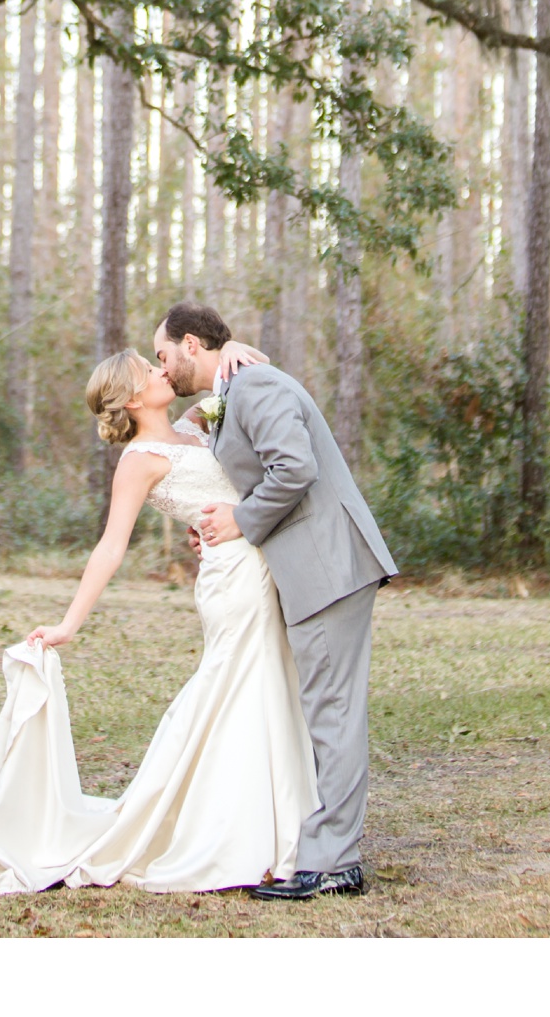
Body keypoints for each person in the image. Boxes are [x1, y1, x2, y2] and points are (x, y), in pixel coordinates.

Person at [0, 345, 318, 895]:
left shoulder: (191, 427)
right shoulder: (139, 461)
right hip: (233, 581)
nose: (162, 371)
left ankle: (276, 820)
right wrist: (67, 625)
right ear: (133, 398)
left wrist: (236, 348)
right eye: (151, 370)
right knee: (240, 689)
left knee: (266, 685)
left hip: (260, 562)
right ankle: (235, 833)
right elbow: (110, 547)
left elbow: (224, 383)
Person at [153, 300, 397, 902]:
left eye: (163, 355)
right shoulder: (237, 391)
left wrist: (243, 518)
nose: (163, 368)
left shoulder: (255, 384)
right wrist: (221, 516)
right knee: (326, 711)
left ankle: (335, 863)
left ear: (191, 345)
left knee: (333, 715)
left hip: (328, 564)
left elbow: (295, 468)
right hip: (312, 567)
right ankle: (329, 851)